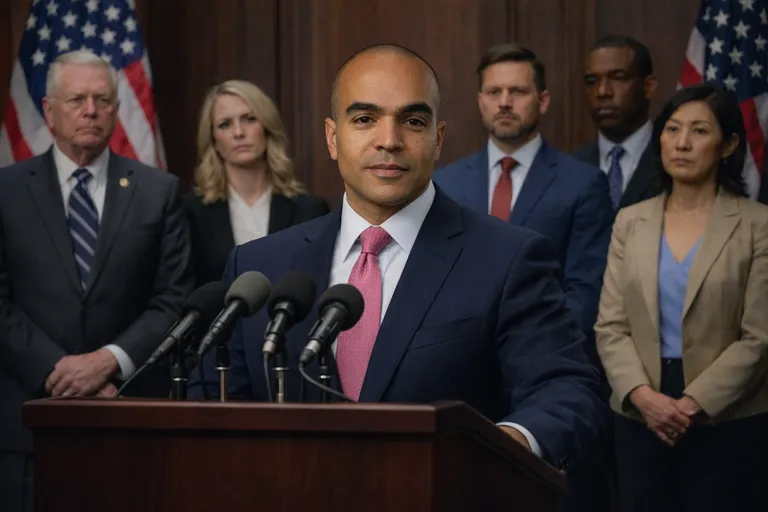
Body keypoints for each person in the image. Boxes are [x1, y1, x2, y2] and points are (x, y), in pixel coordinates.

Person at [189, 44, 606, 475]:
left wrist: (502, 447)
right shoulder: (258, 268)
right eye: (365, 119)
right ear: (333, 138)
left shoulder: (509, 258)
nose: (389, 141)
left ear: (437, 138)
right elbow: (217, 404)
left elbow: (566, 390)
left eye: (412, 121)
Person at [0, 50, 193, 511]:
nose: (91, 110)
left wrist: (108, 362)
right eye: (77, 100)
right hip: (28, 424)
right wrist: (59, 369)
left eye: (103, 100)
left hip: (128, 416)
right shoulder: (5, 190)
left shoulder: (158, 190)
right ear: (49, 110)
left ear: (116, 108)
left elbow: (174, 298)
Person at [595, 83, 768, 511]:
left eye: (699, 131)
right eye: (672, 129)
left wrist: (692, 405)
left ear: (728, 144)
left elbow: (759, 337)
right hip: (640, 411)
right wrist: (642, 395)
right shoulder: (630, 221)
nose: (682, 143)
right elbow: (611, 326)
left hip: (726, 414)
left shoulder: (757, 224)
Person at [434, 43, 613, 362]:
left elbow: (584, 291)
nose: (504, 103)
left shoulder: (583, 183)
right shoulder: (446, 184)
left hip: (546, 360)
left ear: (542, 100)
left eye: (517, 91)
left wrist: (534, 352)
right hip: (458, 363)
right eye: (493, 92)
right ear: (480, 101)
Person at [183, 80, 329, 287]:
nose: (238, 133)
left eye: (249, 119)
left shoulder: (310, 210)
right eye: (225, 124)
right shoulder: (190, 213)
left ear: (267, 127)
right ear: (214, 140)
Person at [574, 35, 661, 209]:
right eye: (592, 81)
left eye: (618, 78)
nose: (602, 91)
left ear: (648, 86)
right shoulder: (572, 168)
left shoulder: (674, 160)